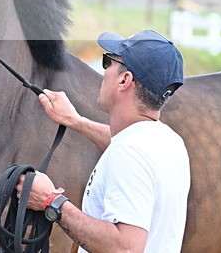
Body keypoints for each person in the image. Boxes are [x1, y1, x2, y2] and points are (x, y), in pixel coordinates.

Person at [18, 30, 190, 253]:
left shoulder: (131, 153)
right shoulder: (167, 141)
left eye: (108, 61)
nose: (104, 70)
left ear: (124, 80)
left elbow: (125, 248)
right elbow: (123, 145)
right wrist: (75, 121)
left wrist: (51, 201)